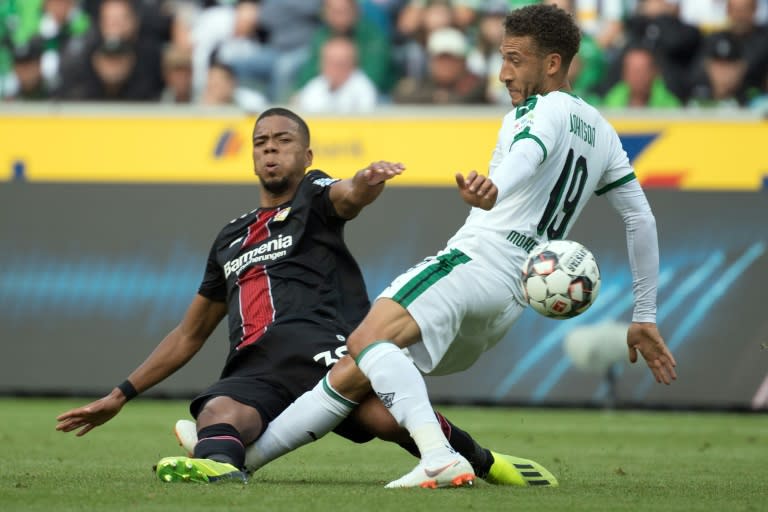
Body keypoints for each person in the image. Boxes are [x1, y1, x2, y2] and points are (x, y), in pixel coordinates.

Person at [235, 4, 678, 489]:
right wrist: (646, 314)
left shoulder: (542, 109)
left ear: (553, 63)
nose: (503, 72)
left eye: (514, 59)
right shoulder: (602, 132)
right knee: (354, 371)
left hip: (477, 263)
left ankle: (439, 457)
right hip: (513, 298)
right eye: (501, 57)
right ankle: (242, 461)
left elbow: (528, 154)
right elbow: (641, 217)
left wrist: (495, 186)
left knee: (365, 343)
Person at [55, 107, 557, 488]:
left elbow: (348, 195)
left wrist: (364, 182)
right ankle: (220, 469)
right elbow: (189, 334)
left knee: (390, 419)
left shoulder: (314, 197)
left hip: (325, 352)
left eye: (282, 141)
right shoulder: (229, 238)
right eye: (261, 143)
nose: (270, 150)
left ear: (307, 156)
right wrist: (121, 394)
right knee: (221, 413)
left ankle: (487, 463)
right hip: (258, 368)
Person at [292, 36, 378, 113]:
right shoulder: (315, 86)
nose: (334, 68)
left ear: (352, 64)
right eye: (330, 62)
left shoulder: (363, 88)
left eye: (340, 63)